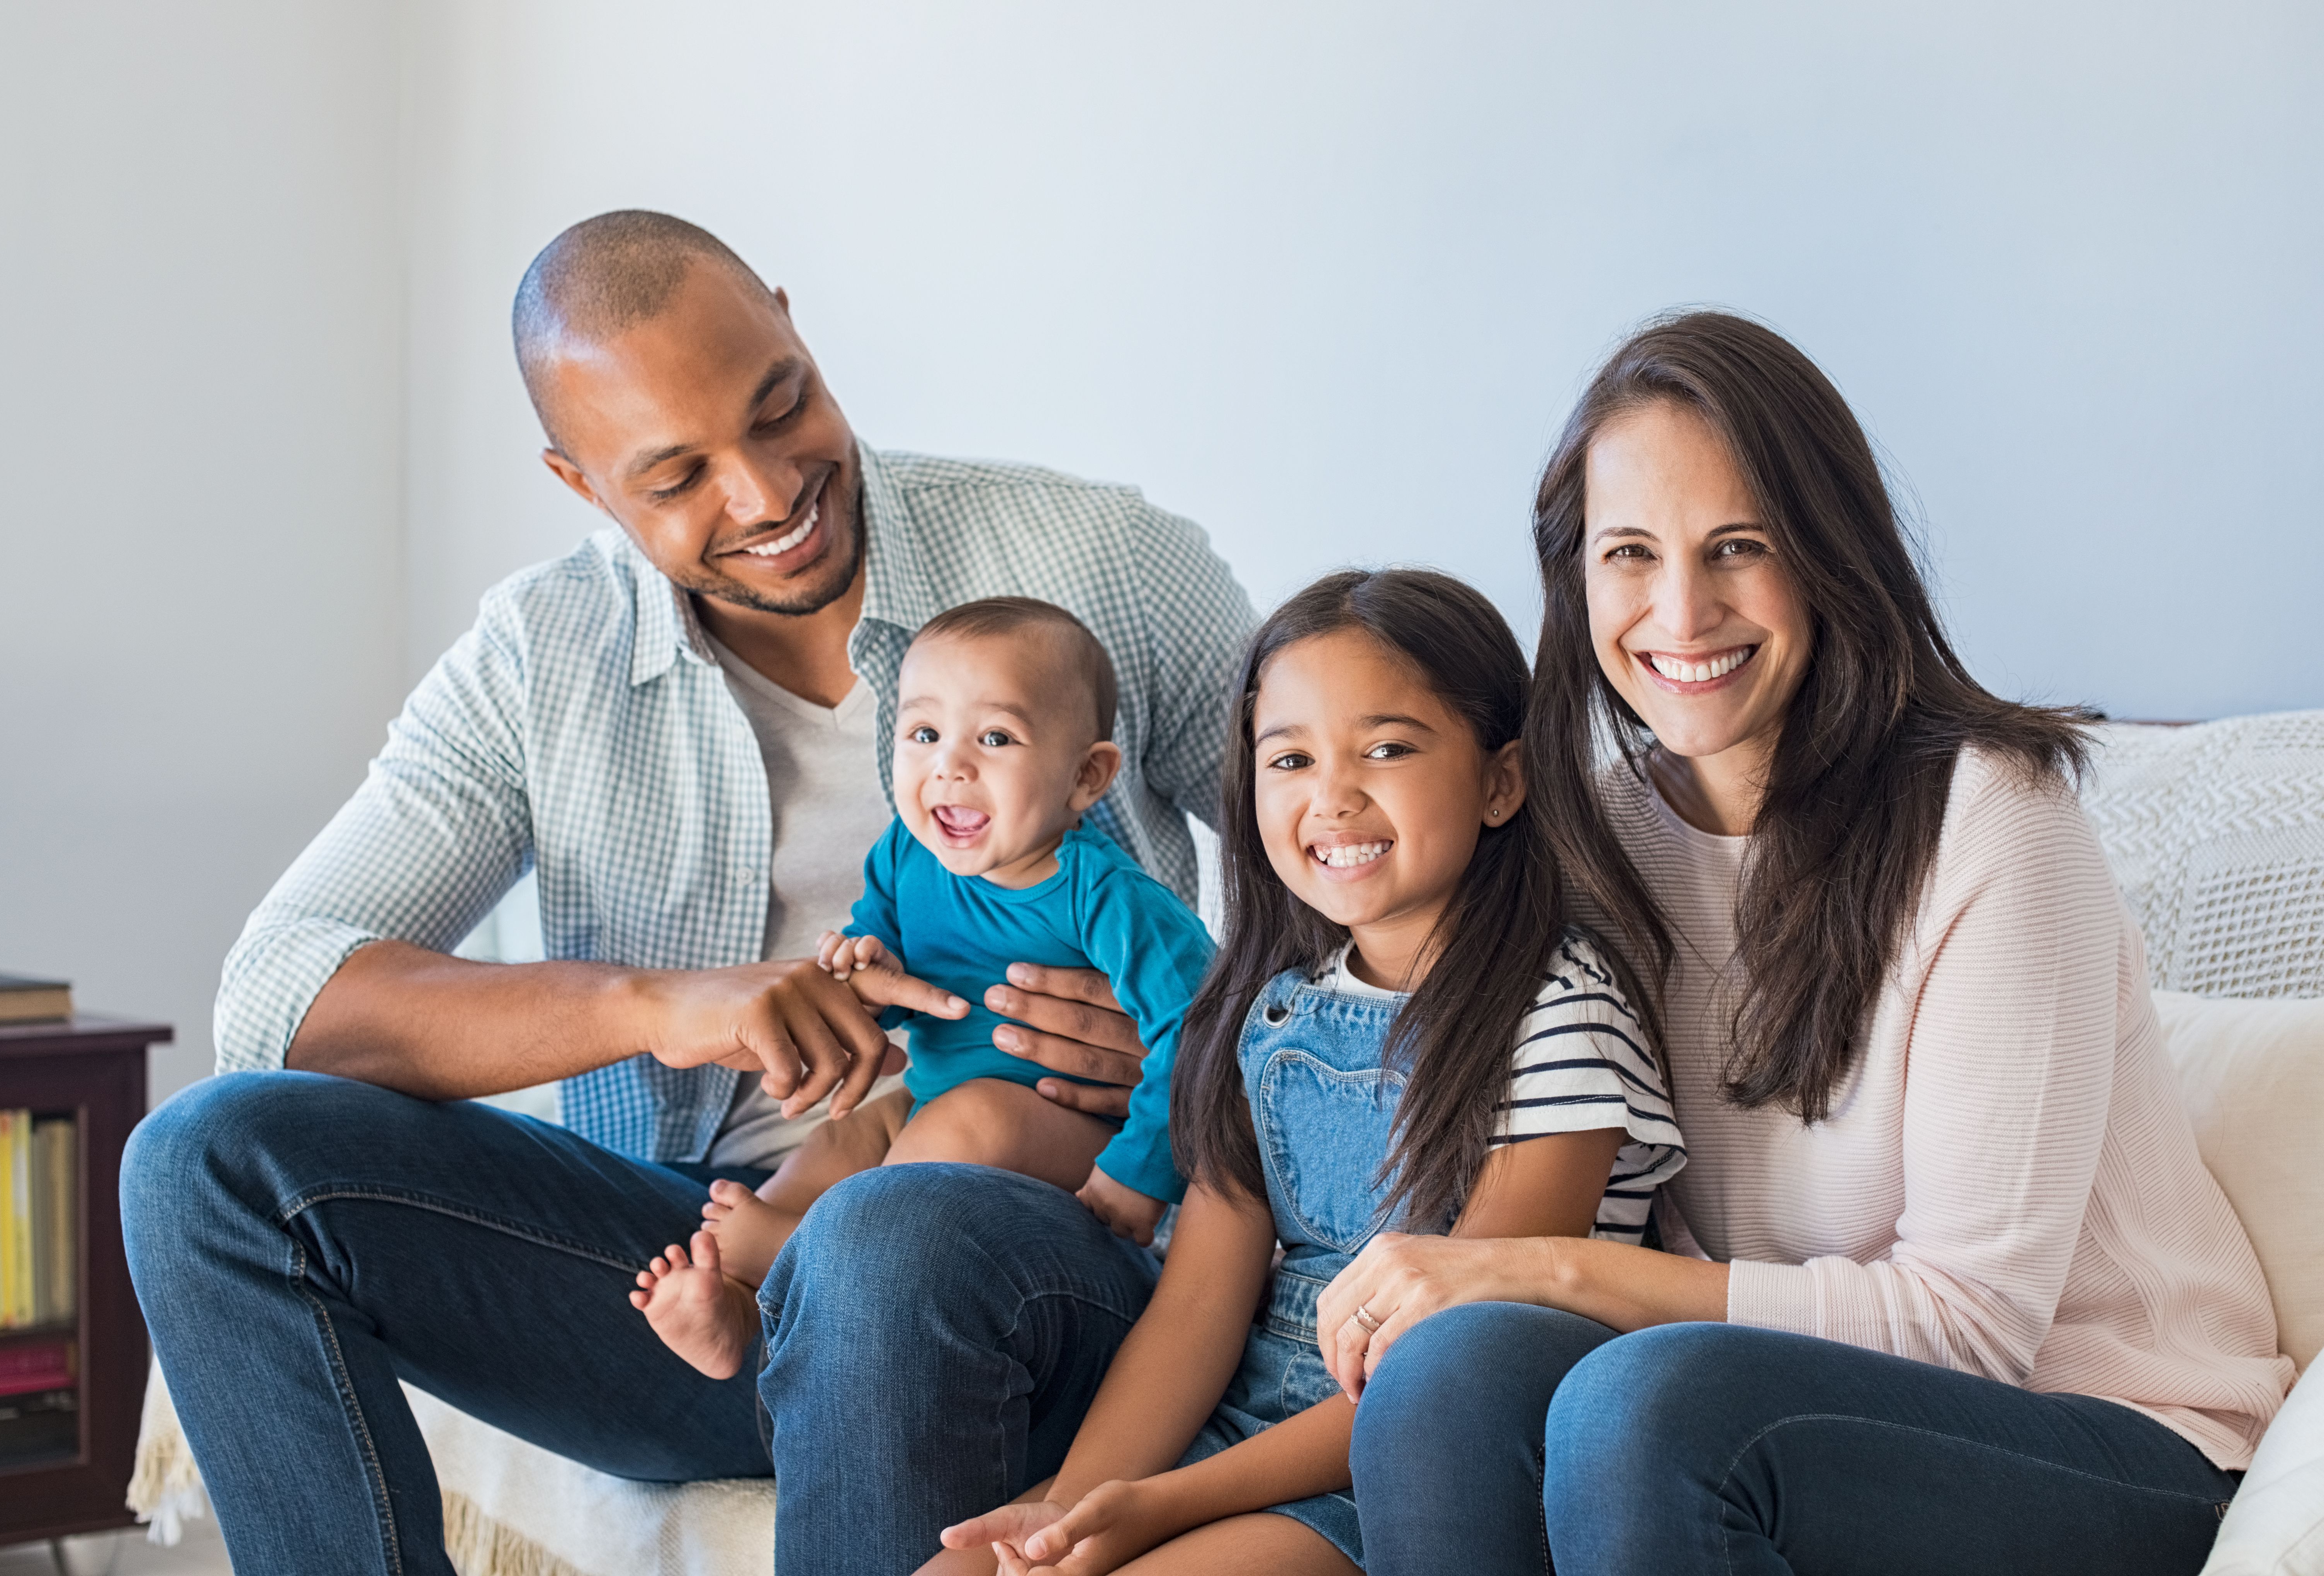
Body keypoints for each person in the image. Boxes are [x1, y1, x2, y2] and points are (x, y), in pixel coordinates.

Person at [117, 211, 1255, 1576]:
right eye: (679, 478)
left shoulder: (1094, 565)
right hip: (707, 1269)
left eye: (784, 406)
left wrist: (1192, 1063)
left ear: (789, 319)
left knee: (893, 1227)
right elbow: (278, 993)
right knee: (205, 1162)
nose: (771, 493)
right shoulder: (540, 661)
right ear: (580, 482)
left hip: (1038, 1253)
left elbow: (1361, 879)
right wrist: (663, 1004)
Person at [1331, 312, 2295, 1574]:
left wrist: (1558, 1271)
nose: (1681, 611)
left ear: (1829, 555)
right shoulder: (1593, 838)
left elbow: (1972, 1330)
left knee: (1647, 1404)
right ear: (1576, 580)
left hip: (2112, 1443)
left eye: (1738, 547)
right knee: (1455, 1371)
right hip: (1764, 1418)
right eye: (1630, 554)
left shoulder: (1992, 816)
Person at [937, 569, 1684, 1575]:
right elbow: (1199, 1306)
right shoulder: (1272, 1008)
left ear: (1501, 780)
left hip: (1412, 1468)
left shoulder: (1559, 1013)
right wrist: (1073, 1506)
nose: (1332, 795)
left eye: (1387, 748)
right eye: (1289, 757)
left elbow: (1448, 1359)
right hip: (1242, 1431)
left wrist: (1158, 1510)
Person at [635, 597, 1216, 1379]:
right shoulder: (907, 856)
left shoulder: (1107, 897)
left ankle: (806, 1251)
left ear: (1087, 777)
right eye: (924, 734)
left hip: (1064, 1134)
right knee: (848, 1137)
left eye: (997, 738)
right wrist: (861, 969)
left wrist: (1138, 1175)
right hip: (931, 1111)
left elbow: (1203, 1029)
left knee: (970, 1120)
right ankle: (744, 1300)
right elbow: (880, 952)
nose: (950, 765)